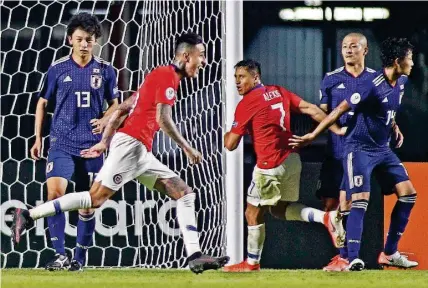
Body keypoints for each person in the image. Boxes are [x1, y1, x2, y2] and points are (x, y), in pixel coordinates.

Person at [12, 32, 229, 274]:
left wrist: (105, 142)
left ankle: (195, 256)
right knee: (94, 200)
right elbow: (162, 118)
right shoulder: (167, 76)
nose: (205, 61)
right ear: (186, 56)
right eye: (201, 56)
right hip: (131, 147)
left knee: (184, 193)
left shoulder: (158, 75)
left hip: (139, 151)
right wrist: (187, 147)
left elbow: (123, 108)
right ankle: (28, 215)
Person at [289, 37, 419, 271]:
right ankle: (350, 258)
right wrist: (312, 135)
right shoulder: (370, 84)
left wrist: (393, 126)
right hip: (358, 149)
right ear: (398, 61)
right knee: (356, 201)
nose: (412, 63)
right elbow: (337, 110)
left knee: (408, 195)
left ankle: (389, 253)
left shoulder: (401, 81)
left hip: (383, 149)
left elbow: (388, 109)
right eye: (410, 58)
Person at [223, 59, 345, 272]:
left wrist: (226, 132)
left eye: (242, 77)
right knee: (278, 210)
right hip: (292, 160)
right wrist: (337, 130)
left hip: (270, 165)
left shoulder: (247, 103)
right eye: (235, 77)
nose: (237, 82)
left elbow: (230, 144)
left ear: (255, 77)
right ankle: (325, 217)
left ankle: (251, 263)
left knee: (252, 213)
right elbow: (311, 109)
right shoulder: (278, 91)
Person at [30, 12, 119, 271]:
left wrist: (104, 120)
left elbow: (115, 105)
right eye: (79, 39)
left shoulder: (105, 71)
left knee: (88, 204)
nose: (84, 44)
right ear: (70, 39)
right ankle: (60, 254)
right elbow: (42, 103)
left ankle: (79, 258)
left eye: (89, 40)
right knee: (54, 194)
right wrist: (37, 138)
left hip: (91, 146)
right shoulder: (58, 69)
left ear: (95, 42)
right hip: (61, 142)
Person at [318, 33, 380, 271]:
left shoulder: (376, 79)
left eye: (353, 46)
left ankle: (346, 256)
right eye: (344, 46)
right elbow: (321, 112)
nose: (348, 50)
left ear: (365, 50)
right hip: (335, 153)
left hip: (362, 152)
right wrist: (336, 129)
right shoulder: (332, 78)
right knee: (331, 205)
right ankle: (342, 255)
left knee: (351, 202)